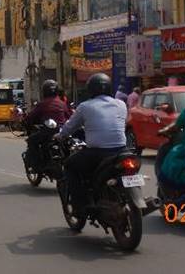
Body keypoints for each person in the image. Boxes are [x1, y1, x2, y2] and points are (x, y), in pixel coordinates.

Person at [56, 73, 127, 214]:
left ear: (91, 90)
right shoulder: (121, 104)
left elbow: (70, 127)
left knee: (69, 165)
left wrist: (60, 135)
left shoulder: (85, 106)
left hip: (98, 153)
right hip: (122, 151)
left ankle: (80, 205)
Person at [24, 80, 72, 168]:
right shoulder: (62, 103)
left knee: (31, 140)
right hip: (62, 131)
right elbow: (69, 116)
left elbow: (31, 117)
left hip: (48, 132)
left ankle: (36, 165)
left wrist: (27, 121)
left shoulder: (42, 104)